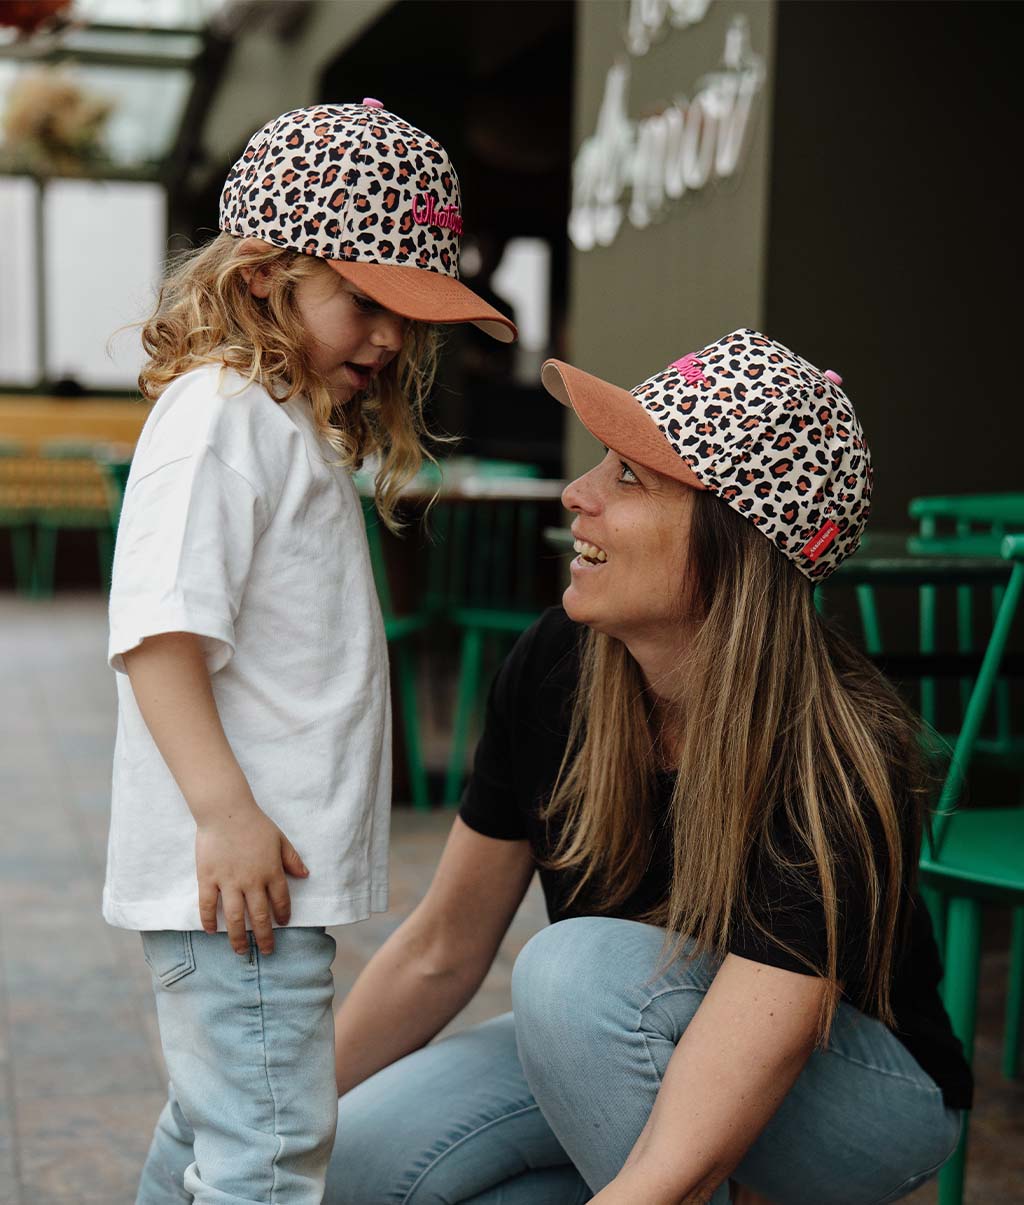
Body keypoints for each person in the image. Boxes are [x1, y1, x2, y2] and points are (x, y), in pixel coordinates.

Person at [325, 329, 971, 1204]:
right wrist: (274, 1112)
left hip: (855, 1091)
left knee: (573, 972)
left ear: (732, 542)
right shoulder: (559, 661)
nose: (577, 494)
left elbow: (684, 1151)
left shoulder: (834, 752)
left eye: (629, 475)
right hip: (617, 1037)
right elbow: (442, 946)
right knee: (362, 1156)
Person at [104, 99, 515, 1205]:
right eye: (365, 302)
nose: (387, 340)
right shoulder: (219, 415)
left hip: (254, 886)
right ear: (259, 276)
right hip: (241, 884)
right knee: (268, 1159)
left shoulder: (273, 420)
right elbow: (157, 632)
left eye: (407, 319)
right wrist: (225, 814)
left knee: (216, 1121)